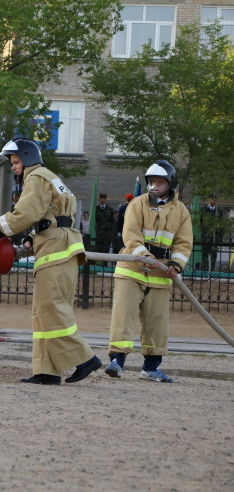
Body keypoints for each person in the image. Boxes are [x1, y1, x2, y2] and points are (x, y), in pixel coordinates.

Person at [0, 138, 100, 385]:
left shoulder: (37, 177)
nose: (14, 167)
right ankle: (47, 371)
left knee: (50, 308)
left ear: (28, 157)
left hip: (56, 249)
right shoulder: (50, 177)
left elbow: (26, 213)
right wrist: (31, 238)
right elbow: (53, 216)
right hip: (56, 245)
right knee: (43, 312)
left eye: (16, 161)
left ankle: (85, 359)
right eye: (12, 163)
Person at [105, 160, 193, 383]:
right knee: (123, 316)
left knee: (157, 322)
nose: (154, 186)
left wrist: (175, 264)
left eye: (160, 181)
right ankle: (116, 362)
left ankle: (151, 368)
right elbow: (131, 236)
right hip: (131, 268)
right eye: (152, 181)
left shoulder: (181, 211)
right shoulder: (137, 204)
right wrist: (146, 256)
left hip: (161, 273)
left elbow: (184, 243)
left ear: (170, 183)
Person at [200, 194, 225, 272]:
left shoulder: (219, 211)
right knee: (205, 254)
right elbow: (200, 222)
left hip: (215, 236)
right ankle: (205, 270)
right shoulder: (203, 210)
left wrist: (220, 236)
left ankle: (212, 269)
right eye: (211, 199)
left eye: (214, 200)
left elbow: (221, 224)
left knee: (214, 254)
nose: (213, 201)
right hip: (206, 236)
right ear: (208, 200)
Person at [95, 192, 116, 257]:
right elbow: (95, 220)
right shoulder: (96, 209)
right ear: (99, 199)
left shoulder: (110, 209)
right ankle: (98, 264)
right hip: (99, 233)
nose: (103, 200)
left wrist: (112, 233)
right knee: (98, 249)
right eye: (101, 198)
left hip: (107, 234)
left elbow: (112, 222)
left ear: (106, 199)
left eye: (104, 198)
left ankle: (105, 264)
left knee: (106, 250)